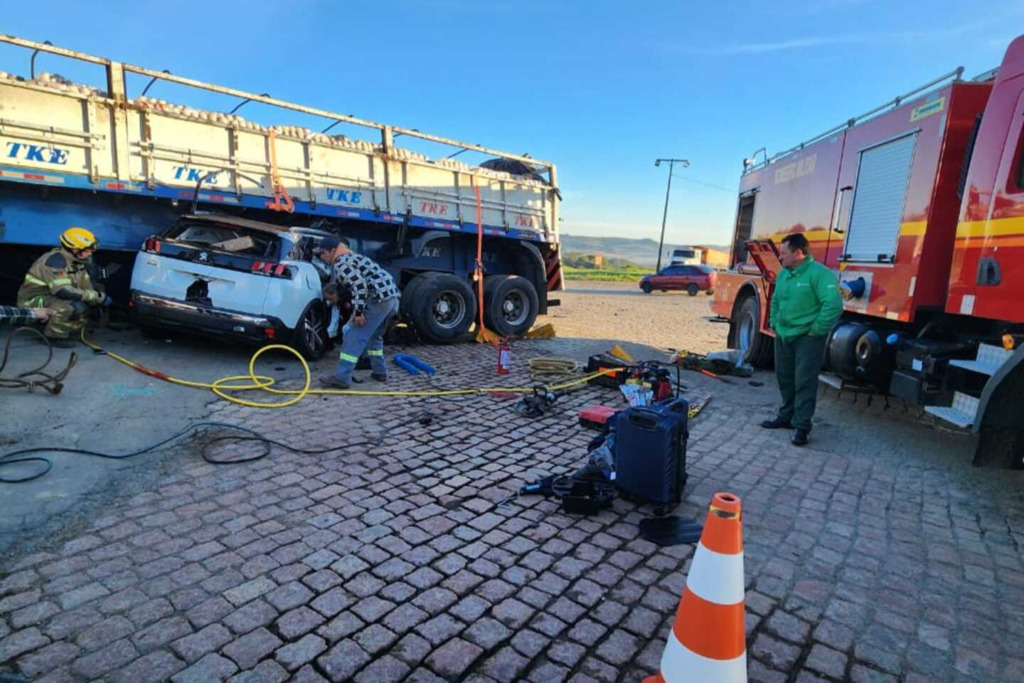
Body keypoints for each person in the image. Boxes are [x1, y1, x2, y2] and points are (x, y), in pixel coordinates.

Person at [761, 233, 843, 446]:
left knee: (804, 382)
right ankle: (786, 416)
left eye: (784, 252)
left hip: (807, 338)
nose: (780, 257)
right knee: (784, 377)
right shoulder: (784, 274)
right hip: (784, 335)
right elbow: (776, 300)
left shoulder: (820, 274)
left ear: (798, 253)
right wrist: (776, 324)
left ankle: (802, 427)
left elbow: (833, 304)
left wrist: (816, 330)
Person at [315, 237, 400, 389]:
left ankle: (342, 377)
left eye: (322, 253)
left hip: (378, 299)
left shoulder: (341, 263)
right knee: (375, 336)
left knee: (353, 336)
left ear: (333, 251)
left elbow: (360, 286)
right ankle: (380, 372)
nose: (321, 257)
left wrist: (359, 312)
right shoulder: (354, 257)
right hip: (391, 298)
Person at [16, 227, 112, 348]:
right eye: (87, 250)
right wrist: (97, 297)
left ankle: (59, 326)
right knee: (69, 306)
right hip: (32, 301)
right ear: (74, 249)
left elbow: (85, 284)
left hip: (50, 297)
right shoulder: (54, 262)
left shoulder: (76, 261)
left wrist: (94, 302)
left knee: (83, 306)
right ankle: (53, 336)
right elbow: (63, 291)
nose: (90, 253)